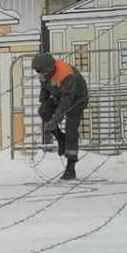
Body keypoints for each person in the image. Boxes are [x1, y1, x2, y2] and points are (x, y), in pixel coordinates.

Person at [32, 53, 89, 181]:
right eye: (37, 72)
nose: (39, 74)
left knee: (71, 131)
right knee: (43, 111)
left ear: (50, 69)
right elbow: (45, 90)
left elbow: (66, 102)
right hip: (61, 96)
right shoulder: (44, 73)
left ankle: (70, 168)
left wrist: (55, 120)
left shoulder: (66, 74)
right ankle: (60, 139)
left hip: (77, 100)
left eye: (40, 72)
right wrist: (45, 105)